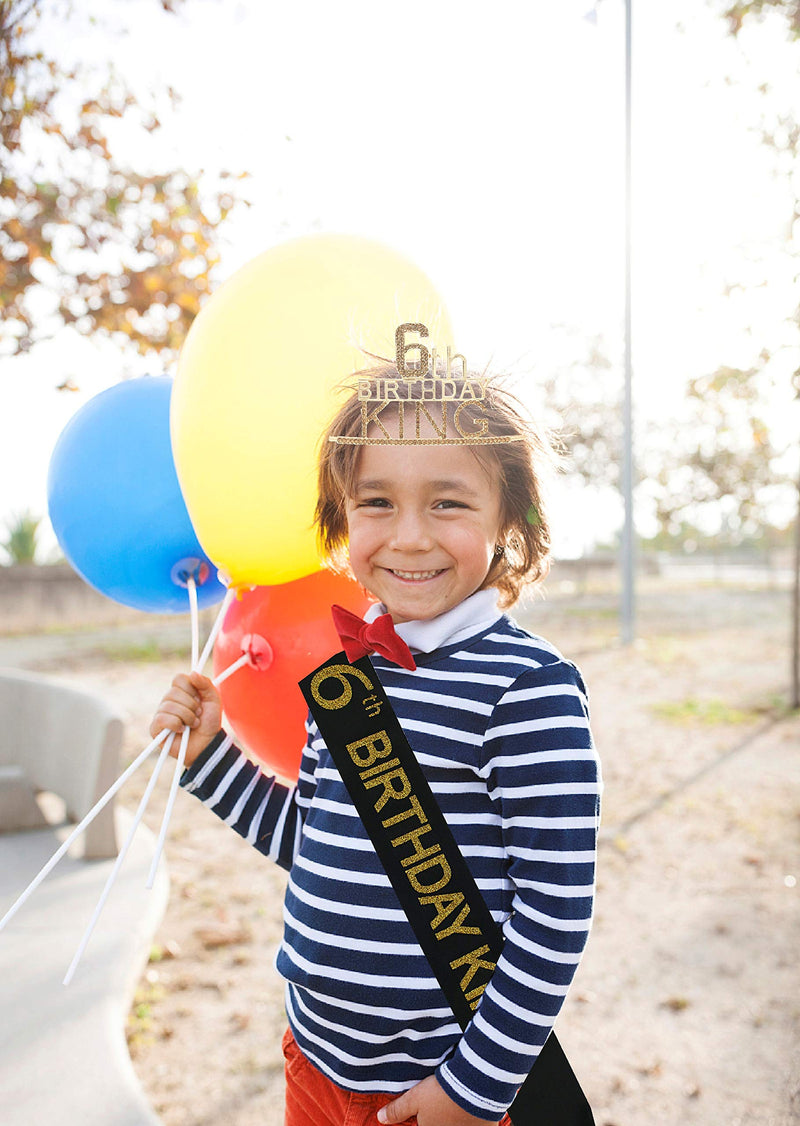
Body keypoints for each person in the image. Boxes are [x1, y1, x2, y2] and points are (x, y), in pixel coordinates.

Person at [151, 364, 601, 1126]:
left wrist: (475, 1087)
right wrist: (211, 756)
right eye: (377, 503)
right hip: (315, 1059)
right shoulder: (351, 671)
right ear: (341, 520)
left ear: (510, 520)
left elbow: (553, 918)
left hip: (436, 1090)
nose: (410, 536)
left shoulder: (529, 689)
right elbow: (317, 837)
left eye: (449, 503)